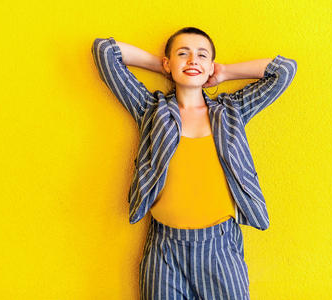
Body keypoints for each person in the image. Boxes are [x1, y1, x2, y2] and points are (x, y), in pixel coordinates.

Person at [92, 27, 297, 300]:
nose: (192, 60)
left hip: (220, 248)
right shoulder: (151, 110)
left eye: (202, 55)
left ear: (210, 65)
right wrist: (165, 67)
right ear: (168, 62)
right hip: (164, 249)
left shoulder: (230, 112)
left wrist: (223, 73)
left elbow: (284, 70)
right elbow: (105, 51)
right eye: (182, 54)